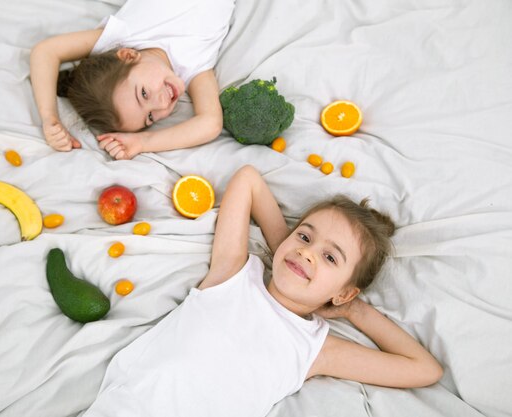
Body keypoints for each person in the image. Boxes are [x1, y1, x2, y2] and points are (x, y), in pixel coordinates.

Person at [82, 165, 443, 417]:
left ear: (345, 291)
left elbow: (424, 369)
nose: (306, 252)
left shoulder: (315, 349)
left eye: (330, 257)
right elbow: (248, 180)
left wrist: (352, 310)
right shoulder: (233, 274)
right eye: (304, 236)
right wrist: (284, 250)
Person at [29, 0, 235, 159]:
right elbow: (210, 123)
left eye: (143, 93)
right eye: (151, 118)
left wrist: (49, 117)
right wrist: (142, 142)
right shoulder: (194, 68)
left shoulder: (124, 36)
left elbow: (46, 51)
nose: (161, 104)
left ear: (128, 56)